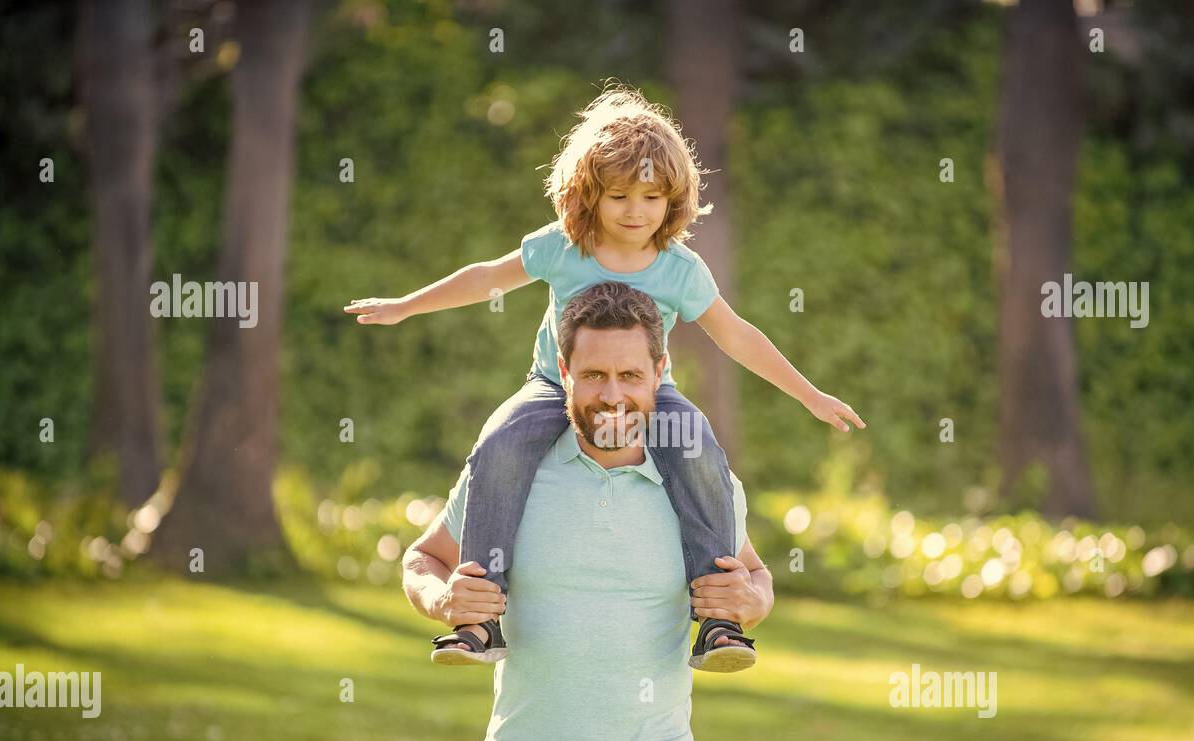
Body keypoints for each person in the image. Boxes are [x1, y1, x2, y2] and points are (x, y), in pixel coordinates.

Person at [351, 83, 861, 668]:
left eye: (651, 196)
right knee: (500, 444)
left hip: (652, 393)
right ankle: (477, 619)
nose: (634, 210)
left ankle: (720, 622)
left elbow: (737, 335)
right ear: (587, 194)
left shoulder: (679, 269)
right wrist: (405, 305)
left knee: (696, 446)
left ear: (674, 199)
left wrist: (811, 395)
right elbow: (486, 277)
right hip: (553, 385)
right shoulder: (565, 247)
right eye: (618, 195)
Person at [401, 282, 774, 741]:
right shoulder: (507, 473)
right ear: (562, 371)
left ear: (660, 372)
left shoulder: (704, 486)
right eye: (594, 374)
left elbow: (754, 573)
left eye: (630, 376)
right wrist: (440, 598)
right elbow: (422, 558)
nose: (613, 395)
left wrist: (751, 601)